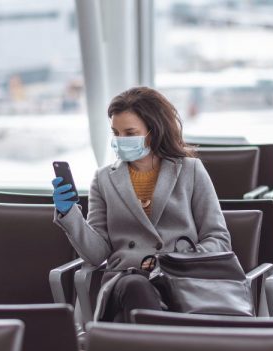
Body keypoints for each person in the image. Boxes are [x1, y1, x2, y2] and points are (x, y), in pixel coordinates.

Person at [51, 86, 231, 323]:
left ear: (153, 132)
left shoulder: (191, 171)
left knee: (144, 303)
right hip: (126, 281)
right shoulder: (104, 179)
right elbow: (97, 254)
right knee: (136, 286)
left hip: (181, 279)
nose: (120, 140)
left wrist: (176, 260)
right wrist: (69, 214)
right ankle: (163, 349)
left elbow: (218, 238)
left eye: (130, 133)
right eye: (115, 133)